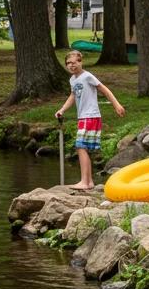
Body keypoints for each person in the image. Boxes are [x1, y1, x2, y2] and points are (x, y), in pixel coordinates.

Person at [54, 49, 126, 190]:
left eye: (74, 63)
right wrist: (62, 109)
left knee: (81, 146)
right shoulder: (72, 80)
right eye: (68, 63)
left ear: (81, 62)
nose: (71, 66)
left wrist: (116, 104)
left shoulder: (87, 76)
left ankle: (85, 182)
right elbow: (73, 96)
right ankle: (89, 182)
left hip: (91, 115)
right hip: (83, 117)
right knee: (83, 147)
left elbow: (104, 89)